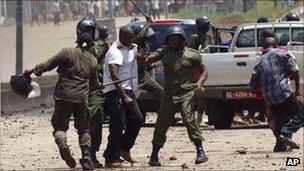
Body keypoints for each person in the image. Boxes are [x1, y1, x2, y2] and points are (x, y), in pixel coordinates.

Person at [24, 33, 103, 170]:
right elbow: (94, 84)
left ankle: (63, 144)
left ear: (77, 42)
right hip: (81, 99)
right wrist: (99, 85)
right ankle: (87, 159)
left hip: (63, 96)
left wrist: (31, 71)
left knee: (60, 127)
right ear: (90, 45)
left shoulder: (67, 52)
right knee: (84, 129)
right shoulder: (93, 60)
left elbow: (47, 65)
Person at [142, 26, 208, 166]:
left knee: (189, 120)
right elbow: (149, 59)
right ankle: (154, 155)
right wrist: (145, 58)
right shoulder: (164, 52)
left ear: (182, 40)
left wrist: (199, 82)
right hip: (169, 94)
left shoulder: (192, 54)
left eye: (175, 39)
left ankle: (200, 151)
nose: (172, 41)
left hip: (186, 93)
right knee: (161, 124)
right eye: (170, 39)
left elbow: (204, 72)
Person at [250, 37, 303, 152]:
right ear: (276, 45)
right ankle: (286, 132)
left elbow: (253, 83)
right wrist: (297, 88)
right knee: (301, 114)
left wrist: (264, 88)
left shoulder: (260, 60)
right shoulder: (282, 54)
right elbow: (295, 70)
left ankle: (279, 146)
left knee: (279, 118)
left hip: (269, 97)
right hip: (283, 92)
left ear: (264, 47)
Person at [102, 25, 143, 168]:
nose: (130, 39)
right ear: (120, 35)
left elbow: (138, 60)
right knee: (117, 125)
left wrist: (143, 59)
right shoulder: (115, 51)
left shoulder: (133, 47)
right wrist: (124, 96)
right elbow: (114, 75)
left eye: (132, 37)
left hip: (129, 88)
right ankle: (111, 158)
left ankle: (124, 148)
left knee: (137, 119)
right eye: (127, 37)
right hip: (115, 91)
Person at [76, 17, 111, 168]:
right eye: (87, 31)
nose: (90, 34)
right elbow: (94, 58)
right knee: (89, 124)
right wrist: (104, 45)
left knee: (99, 122)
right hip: (87, 90)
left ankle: (102, 153)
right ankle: (88, 155)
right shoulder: (82, 47)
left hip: (103, 88)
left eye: (92, 30)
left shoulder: (100, 43)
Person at [131, 17, 164, 123]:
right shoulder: (133, 44)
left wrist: (154, 64)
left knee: (162, 94)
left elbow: (147, 64)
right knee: (130, 99)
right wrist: (148, 23)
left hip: (144, 75)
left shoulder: (144, 46)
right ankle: (129, 119)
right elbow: (140, 36)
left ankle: (164, 117)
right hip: (134, 77)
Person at [187, 16, 215, 127]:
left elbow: (211, 49)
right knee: (193, 95)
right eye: (207, 24)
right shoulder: (194, 38)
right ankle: (192, 118)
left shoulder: (208, 36)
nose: (209, 26)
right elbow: (189, 53)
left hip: (205, 67)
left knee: (203, 94)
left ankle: (199, 118)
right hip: (195, 69)